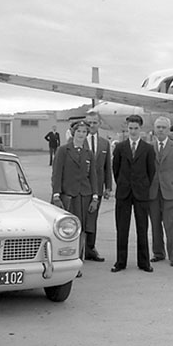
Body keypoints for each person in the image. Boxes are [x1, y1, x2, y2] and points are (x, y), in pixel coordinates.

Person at [51, 120, 99, 277]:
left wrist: (95, 197)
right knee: (69, 230)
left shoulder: (88, 153)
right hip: (69, 196)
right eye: (79, 131)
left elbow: (93, 176)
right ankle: (66, 263)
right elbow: (57, 173)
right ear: (73, 133)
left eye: (84, 132)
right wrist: (56, 194)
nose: (81, 134)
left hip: (84, 195)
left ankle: (78, 262)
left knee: (82, 230)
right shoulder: (63, 150)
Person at [112, 115, 156, 273]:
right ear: (127, 128)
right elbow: (115, 169)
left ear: (141, 129)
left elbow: (151, 172)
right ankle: (120, 262)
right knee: (122, 228)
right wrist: (123, 184)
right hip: (124, 193)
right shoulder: (120, 148)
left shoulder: (148, 149)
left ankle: (144, 262)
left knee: (142, 228)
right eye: (130, 128)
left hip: (141, 193)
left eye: (136, 128)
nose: (133, 131)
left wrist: (142, 186)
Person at [149, 116, 173, 267]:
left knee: (170, 225)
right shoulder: (149, 147)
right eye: (158, 127)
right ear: (154, 129)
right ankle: (158, 253)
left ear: (169, 130)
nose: (160, 130)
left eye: (163, 127)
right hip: (152, 192)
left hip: (170, 191)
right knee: (155, 224)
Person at [84, 112, 112, 262]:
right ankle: (79, 250)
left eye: (94, 122)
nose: (92, 126)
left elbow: (108, 166)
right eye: (89, 123)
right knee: (81, 219)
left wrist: (108, 187)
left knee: (93, 218)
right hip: (82, 188)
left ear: (99, 124)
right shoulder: (79, 140)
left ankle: (91, 248)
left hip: (98, 188)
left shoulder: (104, 143)